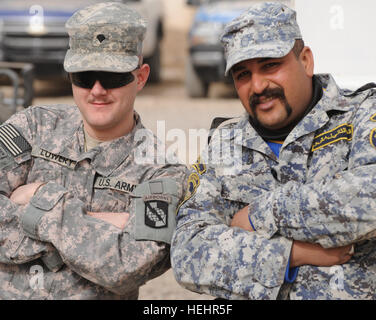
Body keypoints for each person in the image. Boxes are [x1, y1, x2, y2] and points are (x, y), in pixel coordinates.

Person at [171, 1, 376, 300]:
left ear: (305, 60)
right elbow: (189, 253)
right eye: (243, 75)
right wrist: (291, 254)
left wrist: (263, 213)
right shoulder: (224, 144)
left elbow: (370, 198)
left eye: (270, 65)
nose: (258, 85)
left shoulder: (362, 114)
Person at [0, 2, 187, 299]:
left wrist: (40, 197)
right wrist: (100, 224)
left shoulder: (162, 170)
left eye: (112, 77)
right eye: (85, 77)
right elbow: (114, 254)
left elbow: (128, 265)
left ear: (141, 76)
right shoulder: (32, 126)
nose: (97, 90)